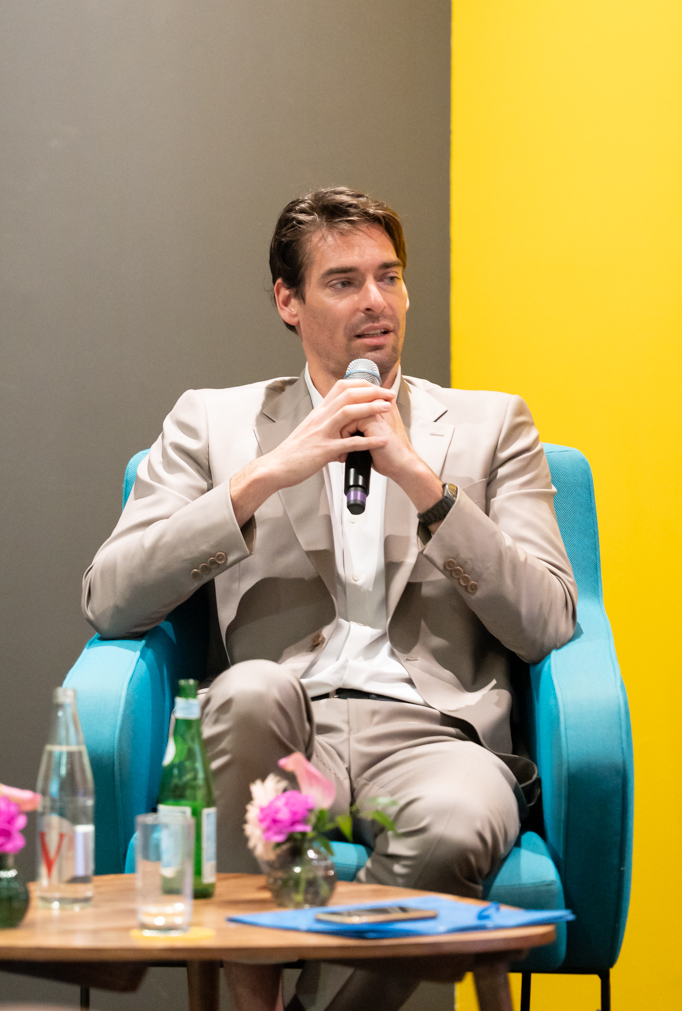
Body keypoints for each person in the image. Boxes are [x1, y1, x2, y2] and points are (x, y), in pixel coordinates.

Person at [83, 187, 576, 1011]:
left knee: (459, 823)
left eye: (390, 276)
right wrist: (262, 478)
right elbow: (111, 596)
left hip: (435, 732)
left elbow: (546, 621)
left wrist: (424, 485)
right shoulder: (213, 423)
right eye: (344, 281)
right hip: (280, 724)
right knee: (247, 693)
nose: (376, 300)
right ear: (289, 300)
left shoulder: (493, 427)